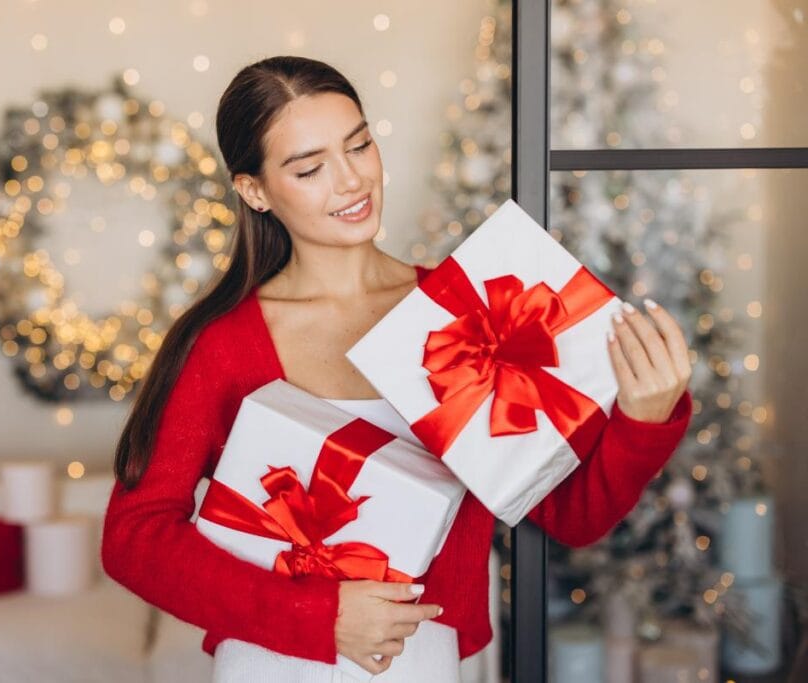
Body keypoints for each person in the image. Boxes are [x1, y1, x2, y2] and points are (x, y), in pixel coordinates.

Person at [101, 55, 693, 682]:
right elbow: (134, 538)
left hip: (422, 664)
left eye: (359, 146)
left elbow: (572, 516)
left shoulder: (465, 312)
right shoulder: (223, 345)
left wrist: (645, 416)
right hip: (269, 662)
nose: (351, 181)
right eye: (310, 168)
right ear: (254, 190)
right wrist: (314, 615)